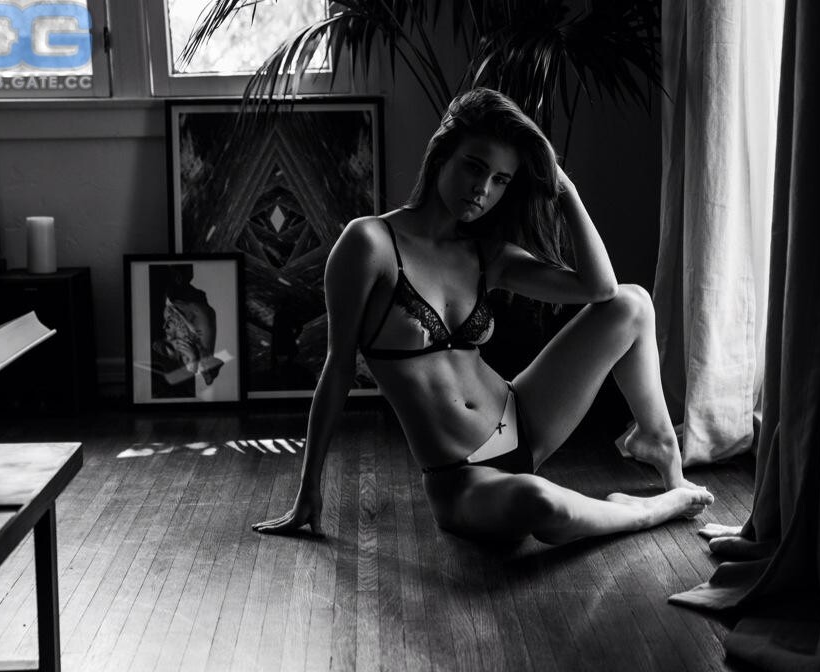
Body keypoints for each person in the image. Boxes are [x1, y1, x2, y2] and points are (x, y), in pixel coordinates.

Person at [253, 88, 713, 544]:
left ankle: (659, 444)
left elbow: (600, 290)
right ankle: (650, 511)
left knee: (632, 304)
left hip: (524, 418)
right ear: (441, 155)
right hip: (462, 477)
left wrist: (565, 190)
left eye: (501, 180)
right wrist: (308, 487)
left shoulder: (485, 254)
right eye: (474, 167)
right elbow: (336, 369)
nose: (483, 189)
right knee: (541, 502)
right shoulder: (369, 244)